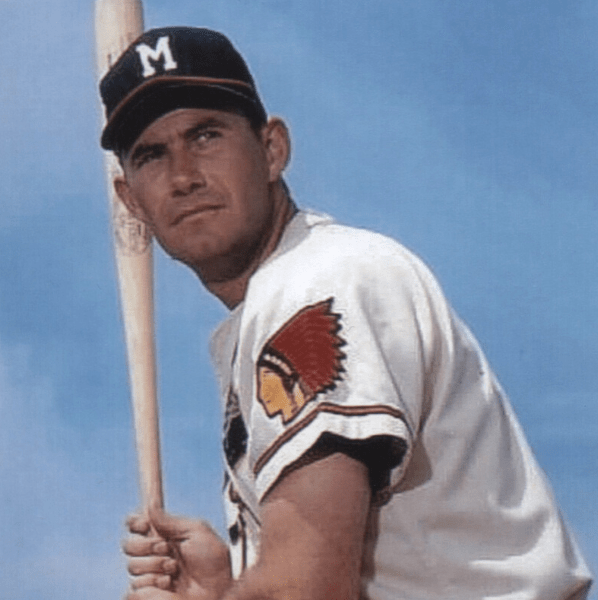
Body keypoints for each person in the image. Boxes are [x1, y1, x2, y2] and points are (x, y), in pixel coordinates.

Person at [99, 27, 593, 600]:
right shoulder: (286, 294)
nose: (184, 176)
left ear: (272, 149)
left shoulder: (316, 281)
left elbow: (306, 590)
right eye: (152, 155)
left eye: (206, 136)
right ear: (131, 202)